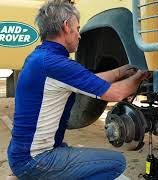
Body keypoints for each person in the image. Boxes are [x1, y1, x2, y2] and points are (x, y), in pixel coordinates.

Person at [7, 0, 147, 179]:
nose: (79, 35)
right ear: (66, 26)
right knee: (117, 163)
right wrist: (141, 75)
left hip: (21, 155)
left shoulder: (42, 57)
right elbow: (116, 93)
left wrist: (121, 71)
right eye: (77, 28)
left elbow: (90, 80)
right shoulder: (56, 64)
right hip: (34, 161)